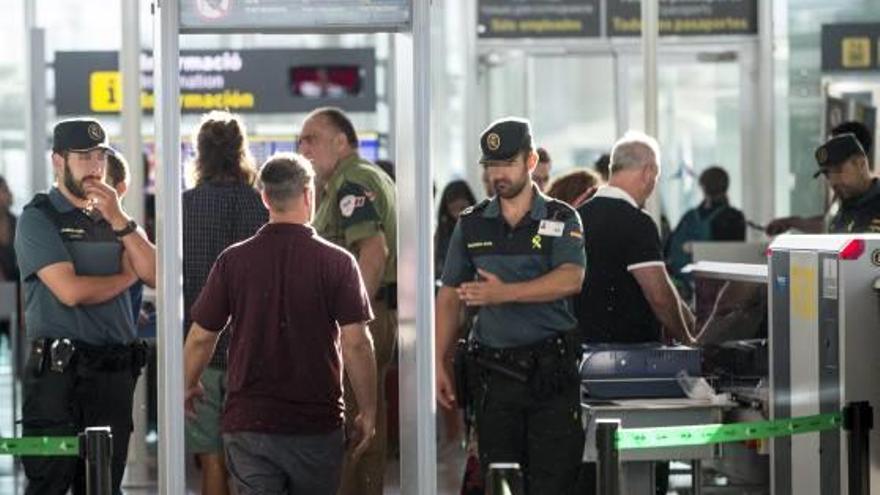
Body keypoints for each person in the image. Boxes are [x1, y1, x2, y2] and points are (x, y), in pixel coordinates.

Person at [183, 153, 377, 495]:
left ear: (265, 198)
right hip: (316, 424)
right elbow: (357, 343)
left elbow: (201, 336)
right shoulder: (338, 263)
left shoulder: (233, 261)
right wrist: (369, 410)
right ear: (309, 194)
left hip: (249, 423)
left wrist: (188, 383)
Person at [435, 117, 586, 494]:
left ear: (531, 161)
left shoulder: (561, 218)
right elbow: (449, 294)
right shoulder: (471, 224)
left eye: (507, 163)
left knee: (553, 480)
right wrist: (437, 360)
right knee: (500, 481)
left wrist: (504, 293)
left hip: (551, 373)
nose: (497, 174)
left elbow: (571, 278)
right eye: (491, 166)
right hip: (494, 374)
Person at [14, 118, 156, 494]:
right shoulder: (39, 218)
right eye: (83, 156)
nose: (95, 166)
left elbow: (158, 274)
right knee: (49, 483)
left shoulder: (119, 220)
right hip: (57, 379)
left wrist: (120, 220)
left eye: (100, 156)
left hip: (113, 376)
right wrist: (128, 276)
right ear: (58, 161)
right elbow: (70, 291)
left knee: (103, 484)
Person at [297, 106, 396, 495]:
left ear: (342, 142)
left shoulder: (353, 181)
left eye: (312, 138)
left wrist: (351, 321)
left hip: (359, 323)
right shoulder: (354, 179)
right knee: (364, 417)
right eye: (301, 139)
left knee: (355, 421)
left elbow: (373, 251)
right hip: (364, 318)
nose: (303, 147)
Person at [183, 111, 269, 495]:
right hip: (254, 352)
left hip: (199, 351)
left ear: (199, 153)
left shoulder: (183, 207)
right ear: (241, 152)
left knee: (210, 458)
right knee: (251, 461)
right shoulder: (262, 206)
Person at [575, 131, 696, 347]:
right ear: (648, 172)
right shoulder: (637, 222)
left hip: (582, 349)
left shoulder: (578, 216)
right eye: (656, 176)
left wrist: (690, 320)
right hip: (628, 355)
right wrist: (688, 340)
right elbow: (659, 295)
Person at [766, 121, 874, 235]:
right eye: (828, 173)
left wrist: (792, 222)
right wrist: (791, 222)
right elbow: (829, 223)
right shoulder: (844, 190)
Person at [665, 166, 746, 297]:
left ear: (702, 186)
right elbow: (736, 256)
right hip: (720, 287)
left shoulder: (690, 216)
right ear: (726, 187)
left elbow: (669, 250)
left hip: (686, 285)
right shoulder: (734, 217)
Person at [435, 179, 477, 281]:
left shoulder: (481, 228)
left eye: (463, 208)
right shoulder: (441, 232)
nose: (459, 215)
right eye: (453, 210)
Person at [0, 175, 19, 343]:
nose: (8, 194)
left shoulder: (18, 223)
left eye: (6, 190)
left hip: (17, 294)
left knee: (18, 344)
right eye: (3, 190)